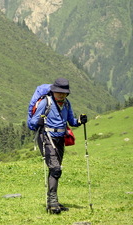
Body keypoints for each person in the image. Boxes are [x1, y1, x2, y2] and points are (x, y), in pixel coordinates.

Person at [28, 78, 87, 214]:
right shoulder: (45, 102)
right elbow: (31, 123)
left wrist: (80, 120)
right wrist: (39, 121)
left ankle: (53, 201)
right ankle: (53, 203)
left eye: (64, 93)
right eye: (58, 92)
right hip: (46, 138)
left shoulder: (66, 104)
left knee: (55, 169)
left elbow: (71, 121)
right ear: (53, 91)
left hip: (60, 139)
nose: (61, 95)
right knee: (55, 168)